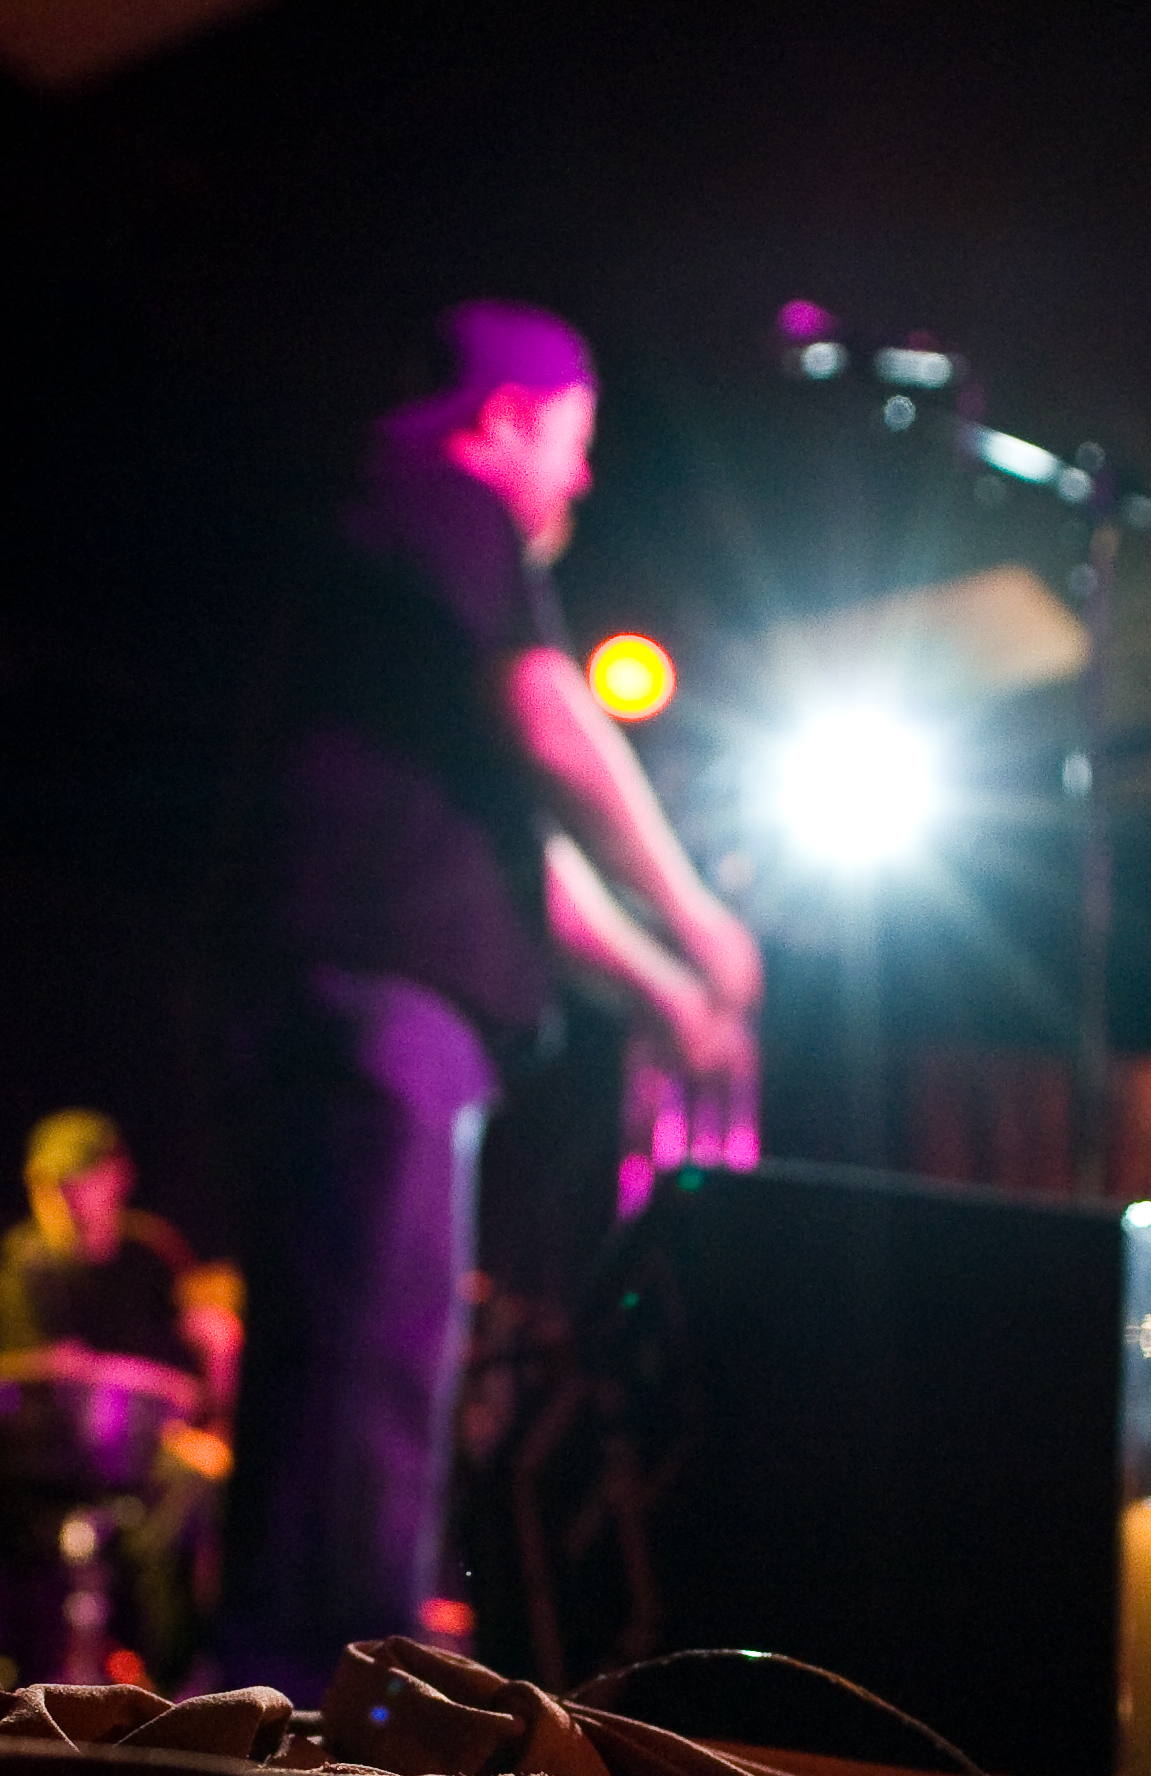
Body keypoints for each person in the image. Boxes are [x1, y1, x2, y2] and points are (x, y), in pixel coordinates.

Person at [220, 301, 762, 1694]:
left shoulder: (403, 578)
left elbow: (543, 873)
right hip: (381, 1005)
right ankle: (340, 1722)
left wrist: (665, 987)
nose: (580, 482)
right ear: (509, 416)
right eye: (575, 443)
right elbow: (548, 708)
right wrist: (702, 923)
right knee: (370, 1377)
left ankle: (288, 1703)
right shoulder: (435, 486)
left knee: (342, 1368)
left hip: (364, 1001)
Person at [0, 1110, 233, 1685]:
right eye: (48, 1186)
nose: (60, 1200)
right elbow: (15, 1373)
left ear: (116, 1177)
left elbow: (202, 1371)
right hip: (52, 1466)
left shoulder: (149, 1257)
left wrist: (219, 1349)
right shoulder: (26, 1262)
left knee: (204, 1491)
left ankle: (184, 1681)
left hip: (152, 1456)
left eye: (74, 1182)